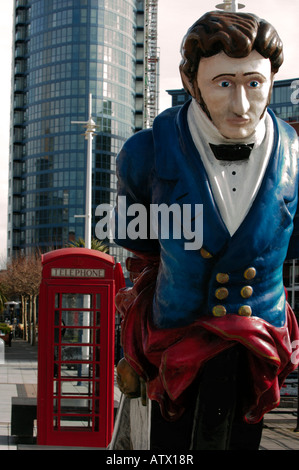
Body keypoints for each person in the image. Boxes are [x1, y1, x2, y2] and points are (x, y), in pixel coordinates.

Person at [112, 11, 299, 450]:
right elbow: (138, 239)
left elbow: (290, 247)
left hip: (260, 345)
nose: (241, 105)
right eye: (223, 84)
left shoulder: (297, 158)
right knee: (170, 446)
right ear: (189, 79)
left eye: (254, 83)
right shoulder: (145, 154)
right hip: (174, 340)